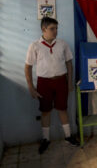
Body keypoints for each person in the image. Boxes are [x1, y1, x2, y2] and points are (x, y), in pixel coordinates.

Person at [24, 17, 79, 154]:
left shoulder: (62, 44)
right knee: (45, 111)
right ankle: (46, 139)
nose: (56, 31)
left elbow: (69, 64)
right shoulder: (35, 45)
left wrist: (69, 82)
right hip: (44, 82)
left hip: (61, 81)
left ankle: (68, 136)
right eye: (52, 29)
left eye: (56, 29)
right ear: (44, 29)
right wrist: (31, 87)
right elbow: (28, 67)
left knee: (62, 109)